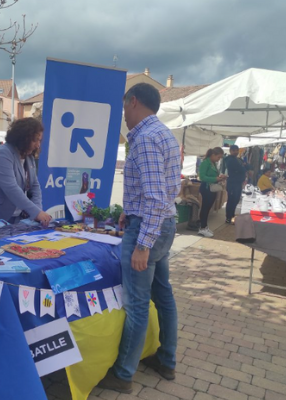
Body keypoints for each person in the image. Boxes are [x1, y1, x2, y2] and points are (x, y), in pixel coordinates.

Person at [99, 83, 181, 394]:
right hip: (163, 223)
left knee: (136, 304)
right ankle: (167, 360)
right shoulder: (163, 134)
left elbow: (156, 196)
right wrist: (129, 211)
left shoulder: (145, 139)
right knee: (164, 296)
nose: (124, 117)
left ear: (133, 102)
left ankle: (123, 374)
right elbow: (163, 192)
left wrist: (143, 244)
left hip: (149, 229)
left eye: (123, 109)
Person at [0, 117, 52, 227]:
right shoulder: (2, 154)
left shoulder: (29, 157)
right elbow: (11, 188)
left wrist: (37, 210)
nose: (38, 145)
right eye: (35, 140)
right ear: (23, 137)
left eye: (39, 140)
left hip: (15, 219)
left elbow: (34, 186)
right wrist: (36, 213)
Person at [198, 147, 226, 238]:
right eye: (218, 157)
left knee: (208, 208)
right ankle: (202, 228)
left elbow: (213, 175)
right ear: (213, 155)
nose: (219, 159)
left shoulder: (213, 163)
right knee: (205, 208)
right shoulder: (205, 163)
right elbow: (202, 177)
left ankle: (204, 226)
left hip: (212, 188)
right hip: (206, 188)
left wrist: (220, 177)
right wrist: (215, 179)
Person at [224, 145, 247, 223]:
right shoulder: (229, 160)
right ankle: (228, 217)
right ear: (230, 151)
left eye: (236, 150)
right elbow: (240, 169)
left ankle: (232, 215)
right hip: (232, 183)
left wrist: (244, 167)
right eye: (233, 150)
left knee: (236, 199)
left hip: (238, 182)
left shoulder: (238, 159)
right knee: (231, 200)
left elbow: (247, 166)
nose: (235, 152)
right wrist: (243, 168)